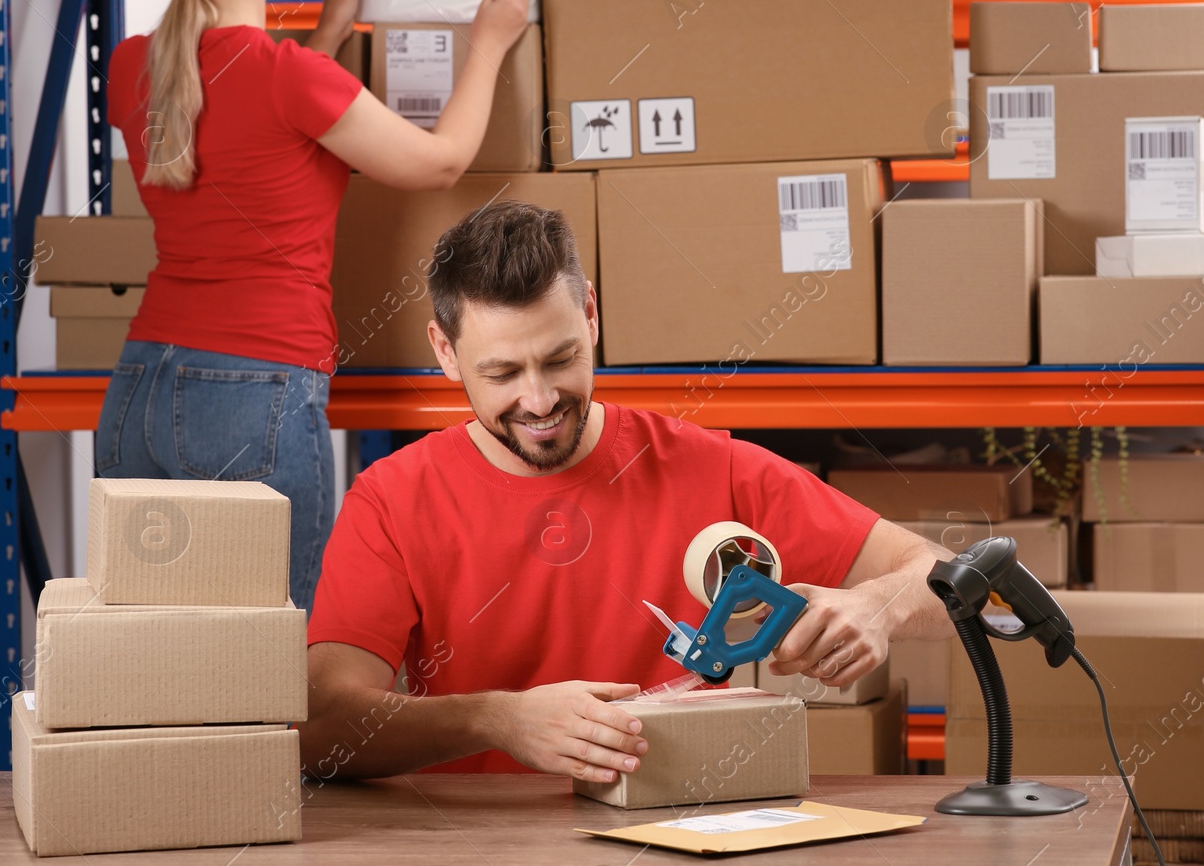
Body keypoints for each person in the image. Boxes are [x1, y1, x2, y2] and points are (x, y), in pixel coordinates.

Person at [302, 201, 956, 781]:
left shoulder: (711, 467)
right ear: (444, 352)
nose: (539, 399)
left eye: (559, 358)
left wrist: (879, 605)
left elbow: (960, 586)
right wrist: (495, 720)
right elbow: (323, 726)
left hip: (679, 834)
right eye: (502, 371)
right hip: (483, 843)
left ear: (590, 313)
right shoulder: (391, 498)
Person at [96, 0, 530, 610]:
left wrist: (327, 35)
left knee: (151, 650)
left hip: (141, 384)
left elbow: (247, 121)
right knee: (274, 654)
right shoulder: (286, 77)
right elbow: (439, 163)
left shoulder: (135, 66)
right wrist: (489, 43)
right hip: (253, 387)